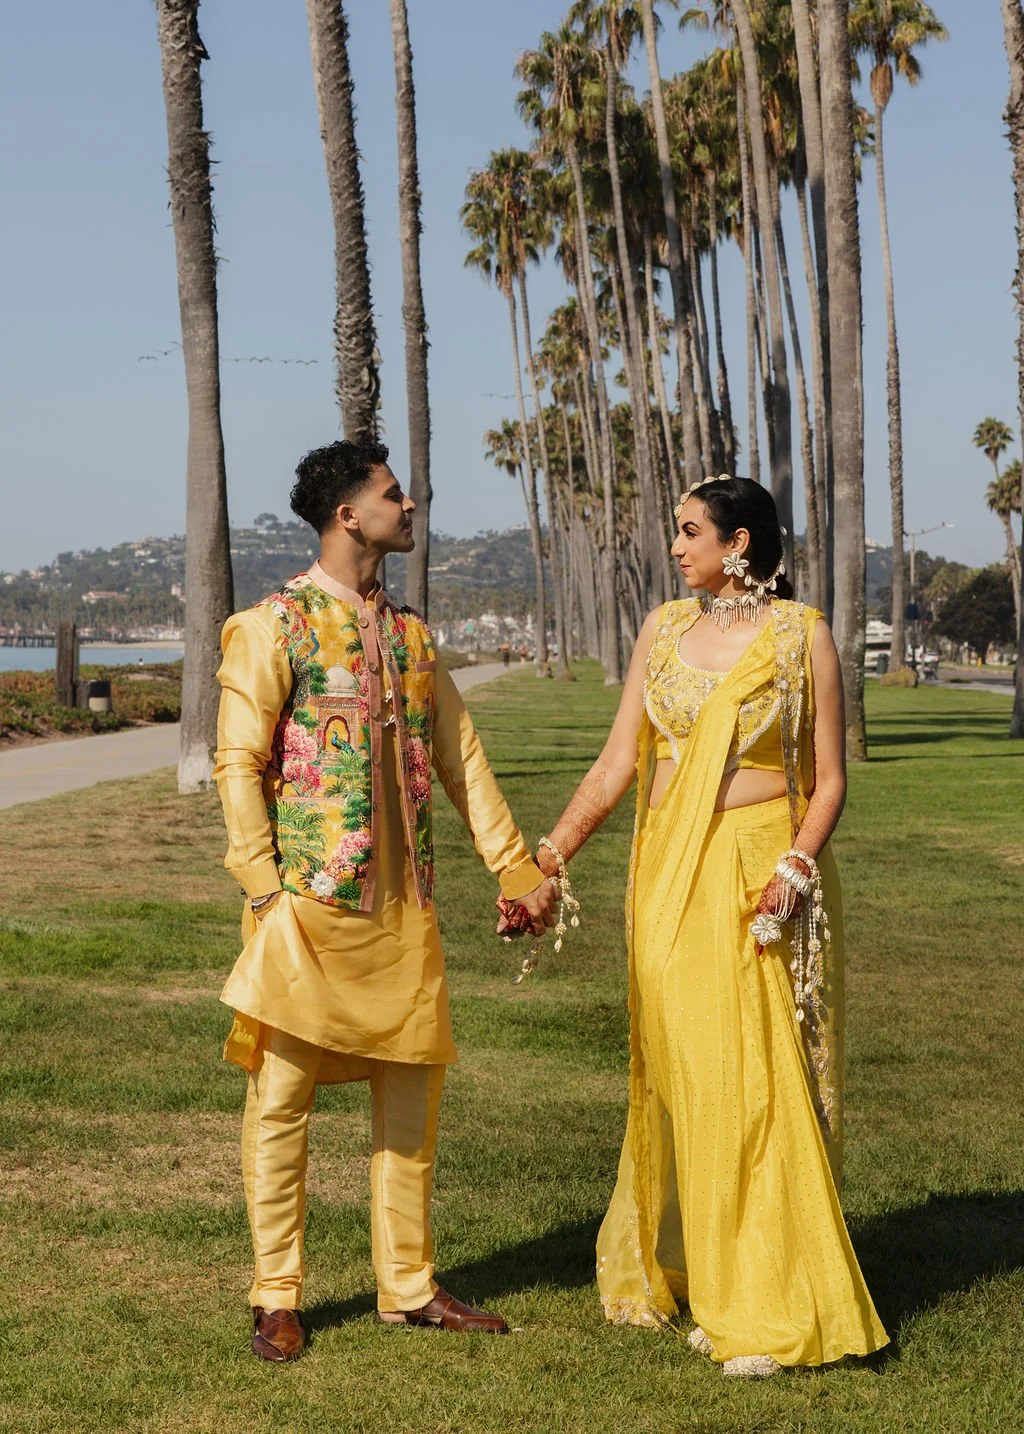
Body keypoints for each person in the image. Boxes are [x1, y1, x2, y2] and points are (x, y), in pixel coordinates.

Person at [532, 475, 888, 1378]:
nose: (677, 546)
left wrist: (796, 866)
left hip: (762, 869)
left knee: (757, 1080)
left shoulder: (800, 637)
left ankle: (767, 1303)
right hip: (669, 878)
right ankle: (706, 1265)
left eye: (690, 531)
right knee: (689, 1073)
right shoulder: (663, 630)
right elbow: (620, 762)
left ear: (738, 545)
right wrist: (553, 854)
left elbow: (830, 776)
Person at [213, 440, 557, 1362]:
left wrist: (515, 869)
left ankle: (407, 1287)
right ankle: (275, 1293)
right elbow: (237, 763)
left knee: (411, 1106)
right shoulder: (272, 626)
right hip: (309, 909)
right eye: (393, 495)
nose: (411, 506)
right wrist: (263, 890)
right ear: (347, 516)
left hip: (405, 914)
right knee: (281, 1102)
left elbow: (462, 759)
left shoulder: (411, 635)